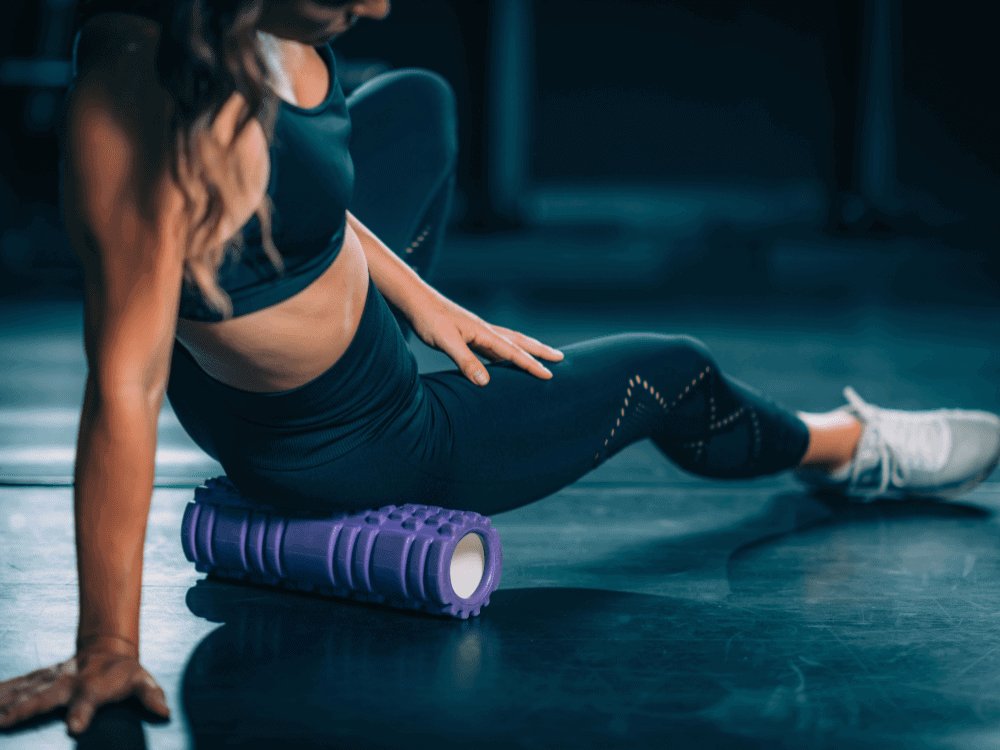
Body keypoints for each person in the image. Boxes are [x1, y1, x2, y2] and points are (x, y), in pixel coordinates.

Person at [0, 0, 997, 737]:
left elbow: (299, 200)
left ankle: (402, 315)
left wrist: (424, 303)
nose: (377, 7)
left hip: (319, 352)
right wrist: (107, 647)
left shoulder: (264, 30)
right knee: (675, 373)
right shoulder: (139, 95)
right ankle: (843, 448)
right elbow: (124, 386)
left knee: (415, 105)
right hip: (352, 441)